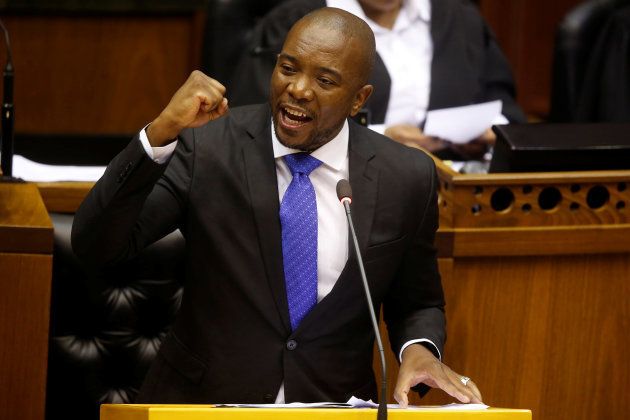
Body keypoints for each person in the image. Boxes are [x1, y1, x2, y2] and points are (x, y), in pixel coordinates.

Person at [72, 7, 482, 406]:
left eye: (324, 79)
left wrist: (420, 350)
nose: (299, 89)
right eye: (288, 68)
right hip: (202, 404)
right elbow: (97, 245)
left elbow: (418, 300)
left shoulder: (406, 176)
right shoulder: (209, 146)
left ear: (359, 99)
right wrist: (161, 131)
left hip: (334, 405)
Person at [230, 0, 526, 161]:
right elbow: (257, 126)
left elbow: (506, 111)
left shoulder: (461, 18)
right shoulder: (301, 20)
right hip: (343, 183)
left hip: (455, 189)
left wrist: (488, 137)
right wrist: (382, 137)